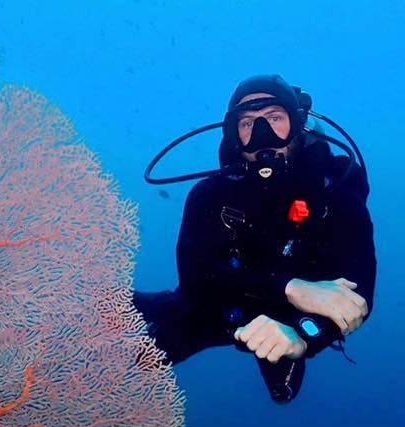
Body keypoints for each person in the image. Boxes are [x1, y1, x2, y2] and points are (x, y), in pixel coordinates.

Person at [134, 75, 376, 403]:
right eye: (247, 123)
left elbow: (357, 297)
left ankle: (286, 347)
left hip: (289, 320)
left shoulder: (334, 193)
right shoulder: (211, 194)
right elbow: (195, 281)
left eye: (275, 118)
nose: (262, 135)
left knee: (283, 381)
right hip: (216, 309)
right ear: (234, 135)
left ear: (298, 124)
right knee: (132, 353)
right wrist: (290, 287)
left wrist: (303, 337)